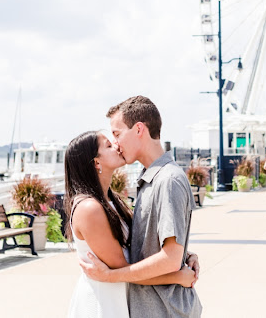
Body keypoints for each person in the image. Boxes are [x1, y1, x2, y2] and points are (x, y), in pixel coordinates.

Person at [79, 96, 203, 317]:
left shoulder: (167, 180)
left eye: (117, 134)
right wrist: (186, 254)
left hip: (165, 309)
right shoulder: (151, 178)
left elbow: (170, 258)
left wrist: (109, 276)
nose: (116, 143)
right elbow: (158, 247)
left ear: (139, 129)